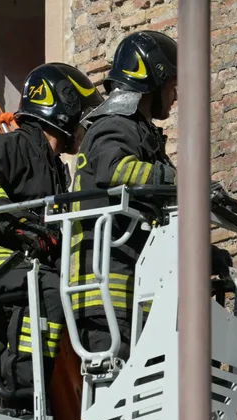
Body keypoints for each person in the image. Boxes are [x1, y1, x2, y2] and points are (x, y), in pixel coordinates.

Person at [0, 62, 102, 413]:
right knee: (46, 293)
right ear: (63, 106)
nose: (87, 125)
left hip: (18, 268)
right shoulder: (12, 145)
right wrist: (20, 224)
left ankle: (24, 403)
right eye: (84, 113)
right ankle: (18, 401)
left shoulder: (56, 171)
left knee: (49, 300)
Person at [68, 30, 178, 364]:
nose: (175, 96)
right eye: (172, 84)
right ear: (154, 79)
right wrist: (179, 180)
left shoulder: (138, 131)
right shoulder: (114, 125)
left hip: (131, 282)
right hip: (107, 286)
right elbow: (114, 169)